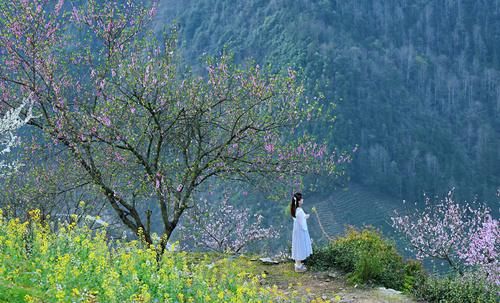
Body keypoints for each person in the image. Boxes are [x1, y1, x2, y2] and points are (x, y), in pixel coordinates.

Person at [290, 192, 312, 272]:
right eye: (301, 198)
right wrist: (305, 217)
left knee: (297, 245)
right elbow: (302, 222)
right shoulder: (299, 211)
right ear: (299, 201)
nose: (303, 200)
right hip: (300, 232)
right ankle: (298, 266)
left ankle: (298, 263)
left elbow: (298, 219)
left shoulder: (295, 209)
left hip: (297, 231)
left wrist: (304, 217)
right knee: (299, 246)